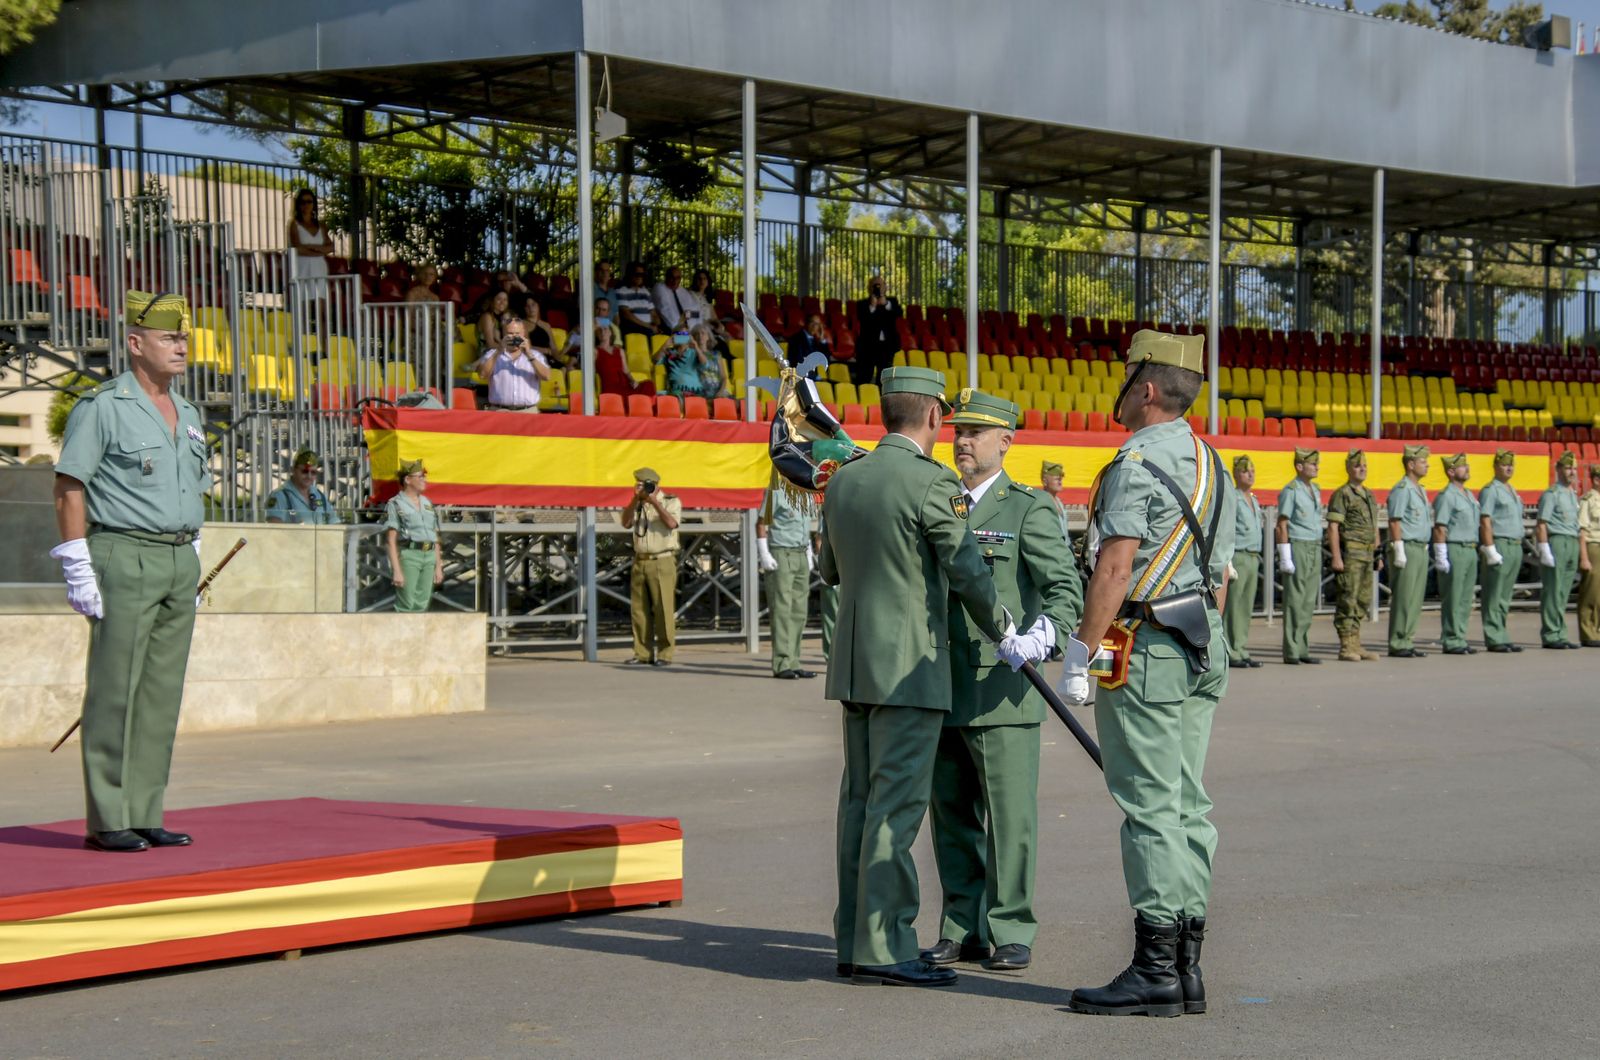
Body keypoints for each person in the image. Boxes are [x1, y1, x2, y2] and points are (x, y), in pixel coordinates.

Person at [1058, 330, 1233, 1019]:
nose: (1122, 390)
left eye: (1128, 379)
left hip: (1151, 645)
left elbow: (1114, 567)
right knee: (1190, 806)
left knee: (1150, 808)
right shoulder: (1208, 460)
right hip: (1200, 639)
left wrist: (1081, 650)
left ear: (1147, 391)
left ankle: (1155, 968)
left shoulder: (1134, 462)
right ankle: (1187, 966)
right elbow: (1218, 569)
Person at [817, 366, 1007, 988]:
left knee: (859, 804)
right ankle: (884, 945)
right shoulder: (933, 483)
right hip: (909, 669)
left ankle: (854, 939)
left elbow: (830, 570)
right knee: (897, 810)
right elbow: (968, 570)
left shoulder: (845, 480)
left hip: (854, 665)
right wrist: (1003, 625)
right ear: (933, 416)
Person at [922, 389, 1083, 976]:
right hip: (940, 684)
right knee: (951, 816)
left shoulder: (1029, 509)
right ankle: (960, 925)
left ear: (1006, 442)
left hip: (1002, 689)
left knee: (1009, 818)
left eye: (976, 432)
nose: (962, 441)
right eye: (958, 430)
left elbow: (1066, 592)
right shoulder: (936, 499)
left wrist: (1046, 635)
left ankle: (1010, 926)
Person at [51, 290, 210, 853]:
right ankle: (107, 817)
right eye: (170, 337)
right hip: (123, 553)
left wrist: (192, 557)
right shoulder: (103, 406)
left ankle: (145, 810)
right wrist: (77, 566)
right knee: (115, 692)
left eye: (184, 337)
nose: (181, 346)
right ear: (136, 343)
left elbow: (195, 490)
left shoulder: (188, 414)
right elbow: (71, 485)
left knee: (161, 693)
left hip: (175, 559)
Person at [621, 467, 681, 666]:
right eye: (638, 484)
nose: (642, 488)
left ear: (655, 485)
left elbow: (672, 524)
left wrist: (654, 502)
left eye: (645, 485)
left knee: (663, 608)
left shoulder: (671, 501)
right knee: (639, 611)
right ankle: (642, 653)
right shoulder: (638, 504)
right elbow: (625, 523)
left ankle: (665, 653)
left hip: (662, 560)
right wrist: (635, 500)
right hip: (640, 560)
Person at [1325, 450, 1381, 662]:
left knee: (1363, 600)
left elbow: (1374, 527)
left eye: (1364, 465)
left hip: (1367, 554)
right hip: (1351, 555)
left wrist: (1377, 554)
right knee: (1347, 599)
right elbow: (1333, 527)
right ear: (1349, 468)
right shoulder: (1342, 494)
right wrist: (1336, 557)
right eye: (1358, 466)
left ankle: (1356, 643)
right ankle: (1346, 645)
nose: (1362, 469)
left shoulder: (1369, 494)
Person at [756, 485, 817, 680]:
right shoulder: (776, 492)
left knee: (799, 610)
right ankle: (781, 662)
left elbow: (805, 526)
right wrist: (763, 553)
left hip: (800, 551)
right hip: (781, 552)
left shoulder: (806, 494)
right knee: (782, 609)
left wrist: (808, 553)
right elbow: (760, 523)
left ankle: (794, 661)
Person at [1275, 448, 1323, 665]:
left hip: (1314, 545)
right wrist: (1285, 555)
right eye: (1312, 464)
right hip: (1298, 545)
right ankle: (1292, 649)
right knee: (1295, 599)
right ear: (1299, 466)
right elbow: (1282, 524)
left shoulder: (1315, 489)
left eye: (1317, 463)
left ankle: (1303, 646)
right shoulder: (1291, 490)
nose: (1316, 467)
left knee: (1308, 600)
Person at [1432, 453, 1481, 655]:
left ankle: (1459, 635)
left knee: (1465, 598)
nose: (1467, 468)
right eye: (1462, 466)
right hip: (1455, 548)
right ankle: (1452, 639)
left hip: (1470, 548)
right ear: (1451, 471)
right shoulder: (1447, 496)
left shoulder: (1469, 495)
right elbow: (1440, 527)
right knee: (1453, 596)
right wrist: (1441, 554)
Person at [1386, 444, 1432, 658]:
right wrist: (1399, 549)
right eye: (1423, 462)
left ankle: (1407, 639)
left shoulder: (1420, 490)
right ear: (1411, 464)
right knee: (1404, 596)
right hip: (1407, 546)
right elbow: (1395, 520)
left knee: (1415, 598)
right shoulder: (1402, 489)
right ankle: (1398, 641)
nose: (1427, 465)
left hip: (1420, 547)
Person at [1478, 448, 1525, 653]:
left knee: (1505, 594)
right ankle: (1494, 636)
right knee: (1494, 593)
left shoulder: (1511, 490)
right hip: (1500, 543)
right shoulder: (1491, 490)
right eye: (1504, 464)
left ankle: (1502, 633)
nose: (1509, 467)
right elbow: (1485, 520)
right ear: (1495, 466)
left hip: (1515, 544)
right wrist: (1490, 548)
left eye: (1511, 464)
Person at [1535, 450, 1582, 649]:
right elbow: (1541, 524)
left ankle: (1560, 632)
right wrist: (1544, 549)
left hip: (1571, 541)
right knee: (1553, 590)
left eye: (1573, 468)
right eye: (1567, 467)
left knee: (1563, 592)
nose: (1571, 472)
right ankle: (1551, 633)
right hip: (1557, 541)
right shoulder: (1551, 494)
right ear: (1558, 469)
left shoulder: (1572, 494)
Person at [383, 459, 443, 612]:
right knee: (406, 603)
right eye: (420, 476)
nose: (424, 480)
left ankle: (418, 635)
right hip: (410, 554)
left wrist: (439, 566)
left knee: (422, 603)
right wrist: (396, 570)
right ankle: (404, 635)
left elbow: (434, 537)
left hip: (429, 555)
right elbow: (391, 540)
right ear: (408, 480)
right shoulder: (395, 504)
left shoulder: (427, 503)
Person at [1223, 455, 1264, 668]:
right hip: (1238, 555)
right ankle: (1230, 650)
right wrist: (1227, 561)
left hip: (1253, 556)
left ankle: (1241, 647)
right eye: (1246, 471)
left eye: (1253, 470)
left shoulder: (1254, 500)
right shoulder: (1234, 498)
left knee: (1246, 606)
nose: (1250, 474)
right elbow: (1227, 530)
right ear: (1236, 474)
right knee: (1234, 606)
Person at [472, 317, 550, 412]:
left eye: (517, 333)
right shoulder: (492, 354)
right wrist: (499, 350)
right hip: (499, 410)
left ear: (524, 334)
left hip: (528, 411)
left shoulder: (536, 355)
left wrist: (529, 354)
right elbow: (482, 375)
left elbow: (546, 376)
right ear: (503, 334)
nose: (514, 337)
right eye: (510, 334)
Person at [265, 447, 341, 525]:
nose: (309, 476)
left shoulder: (319, 495)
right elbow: (275, 529)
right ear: (293, 470)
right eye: (304, 471)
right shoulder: (279, 496)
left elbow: (334, 522)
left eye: (313, 472)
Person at [852, 275, 902, 386]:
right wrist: (873, 307)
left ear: (885, 287)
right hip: (867, 347)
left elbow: (898, 315)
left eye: (880, 285)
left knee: (884, 379)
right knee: (864, 377)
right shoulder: (862, 304)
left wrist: (885, 304)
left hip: (887, 347)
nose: (878, 288)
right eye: (875, 285)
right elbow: (864, 320)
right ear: (869, 288)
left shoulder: (892, 302)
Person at [595, 324, 656, 399]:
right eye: (600, 330)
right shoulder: (595, 351)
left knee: (649, 384)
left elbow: (626, 371)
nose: (602, 332)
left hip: (625, 383)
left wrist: (633, 381)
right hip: (610, 386)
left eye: (605, 329)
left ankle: (647, 408)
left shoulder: (620, 351)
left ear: (611, 332)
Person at [286, 188, 332, 279]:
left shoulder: (321, 225)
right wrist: (319, 251)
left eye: (309, 201)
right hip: (302, 266)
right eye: (302, 202)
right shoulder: (294, 224)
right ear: (298, 205)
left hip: (319, 267)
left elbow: (330, 247)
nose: (306, 205)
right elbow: (297, 249)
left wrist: (310, 247)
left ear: (313, 204)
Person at [1579, 463, 1600, 647]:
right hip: (1594, 547)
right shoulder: (1588, 500)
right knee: (1591, 593)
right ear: (1596, 480)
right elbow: (1582, 531)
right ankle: (1587, 632)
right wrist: (1584, 557)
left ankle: (1597, 630)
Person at [612, 263, 662, 338]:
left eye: (642, 275)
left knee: (668, 332)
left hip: (648, 327)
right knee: (649, 333)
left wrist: (657, 324)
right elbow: (626, 314)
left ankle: (682, 348)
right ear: (630, 274)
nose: (639, 277)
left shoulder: (645, 292)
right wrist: (648, 326)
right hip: (633, 327)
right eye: (637, 274)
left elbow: (653, 313)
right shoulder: (621, 290)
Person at [652, 265, 700, 333]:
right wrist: (685, 317)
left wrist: (686, 316)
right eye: (672, 277)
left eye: (678, 278)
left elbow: (697, 313)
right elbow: (669, 316)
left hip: (690, 331)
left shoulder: (683, 291)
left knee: (706, 338)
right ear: (666, 277)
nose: (675, 281)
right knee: (688, 341)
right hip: (673, 333)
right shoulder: (659, 288)